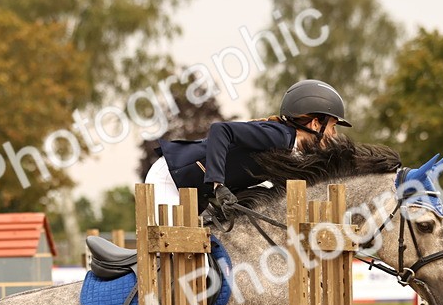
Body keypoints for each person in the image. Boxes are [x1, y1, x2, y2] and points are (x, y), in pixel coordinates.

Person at [145, 79, 351, 217]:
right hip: (171, 178)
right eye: (333, 127)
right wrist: (218, 185)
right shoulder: (278, 136)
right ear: (315, 124)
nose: (334, 135)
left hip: (196, 192)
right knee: (185, 255)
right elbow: (220, 130)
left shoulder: (294, 152)